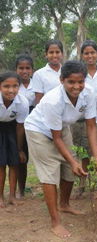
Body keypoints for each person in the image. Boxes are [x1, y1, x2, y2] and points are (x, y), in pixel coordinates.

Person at [25, 61, 97, 238]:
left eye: (80, 82)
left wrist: (95, 155)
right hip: (39, 130)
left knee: (69, 170)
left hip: (62, 127)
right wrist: (73, 161)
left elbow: (91, 126)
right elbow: (55, 138)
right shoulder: (53, 100)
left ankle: (64, 204)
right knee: (49, 173)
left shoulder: (88, 93)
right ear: (62, 80)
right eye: (71, 82)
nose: (76, 86)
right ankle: (55, 221)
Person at [71, 40, 97, 199]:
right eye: (86, 53)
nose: (90, 56)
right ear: (82, 55)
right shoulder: (79, 75)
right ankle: (83, 184)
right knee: (84, 153)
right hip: (81, 120)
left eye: (93, 52)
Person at [0, 72, 29, 207]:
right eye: (6, 86)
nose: (11, 90)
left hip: (12, 128)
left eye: (15, 86)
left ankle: (12, 196)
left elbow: (20, 126)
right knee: (0, 164)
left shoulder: (22, 102)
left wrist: (19, 149)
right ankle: (0, 197)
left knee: (14, 162)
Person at [15, 54, 36, 197]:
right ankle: (20, 190)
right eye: (21, 68)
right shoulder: (13, 85)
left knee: (30, 155)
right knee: (19, 156)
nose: (24, 71)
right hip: (16, 122)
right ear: (16, 70)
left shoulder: (37, 84)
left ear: (32, 70)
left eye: (27, 68)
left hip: (34, 121)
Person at [32, 39, 64, 104]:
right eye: (51, 52)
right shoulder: (39, 74)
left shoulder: (68, 72)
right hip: (47, 111)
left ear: (62, 54)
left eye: (57, 52)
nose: (54, 55)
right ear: (46, 54)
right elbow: (39, 101)